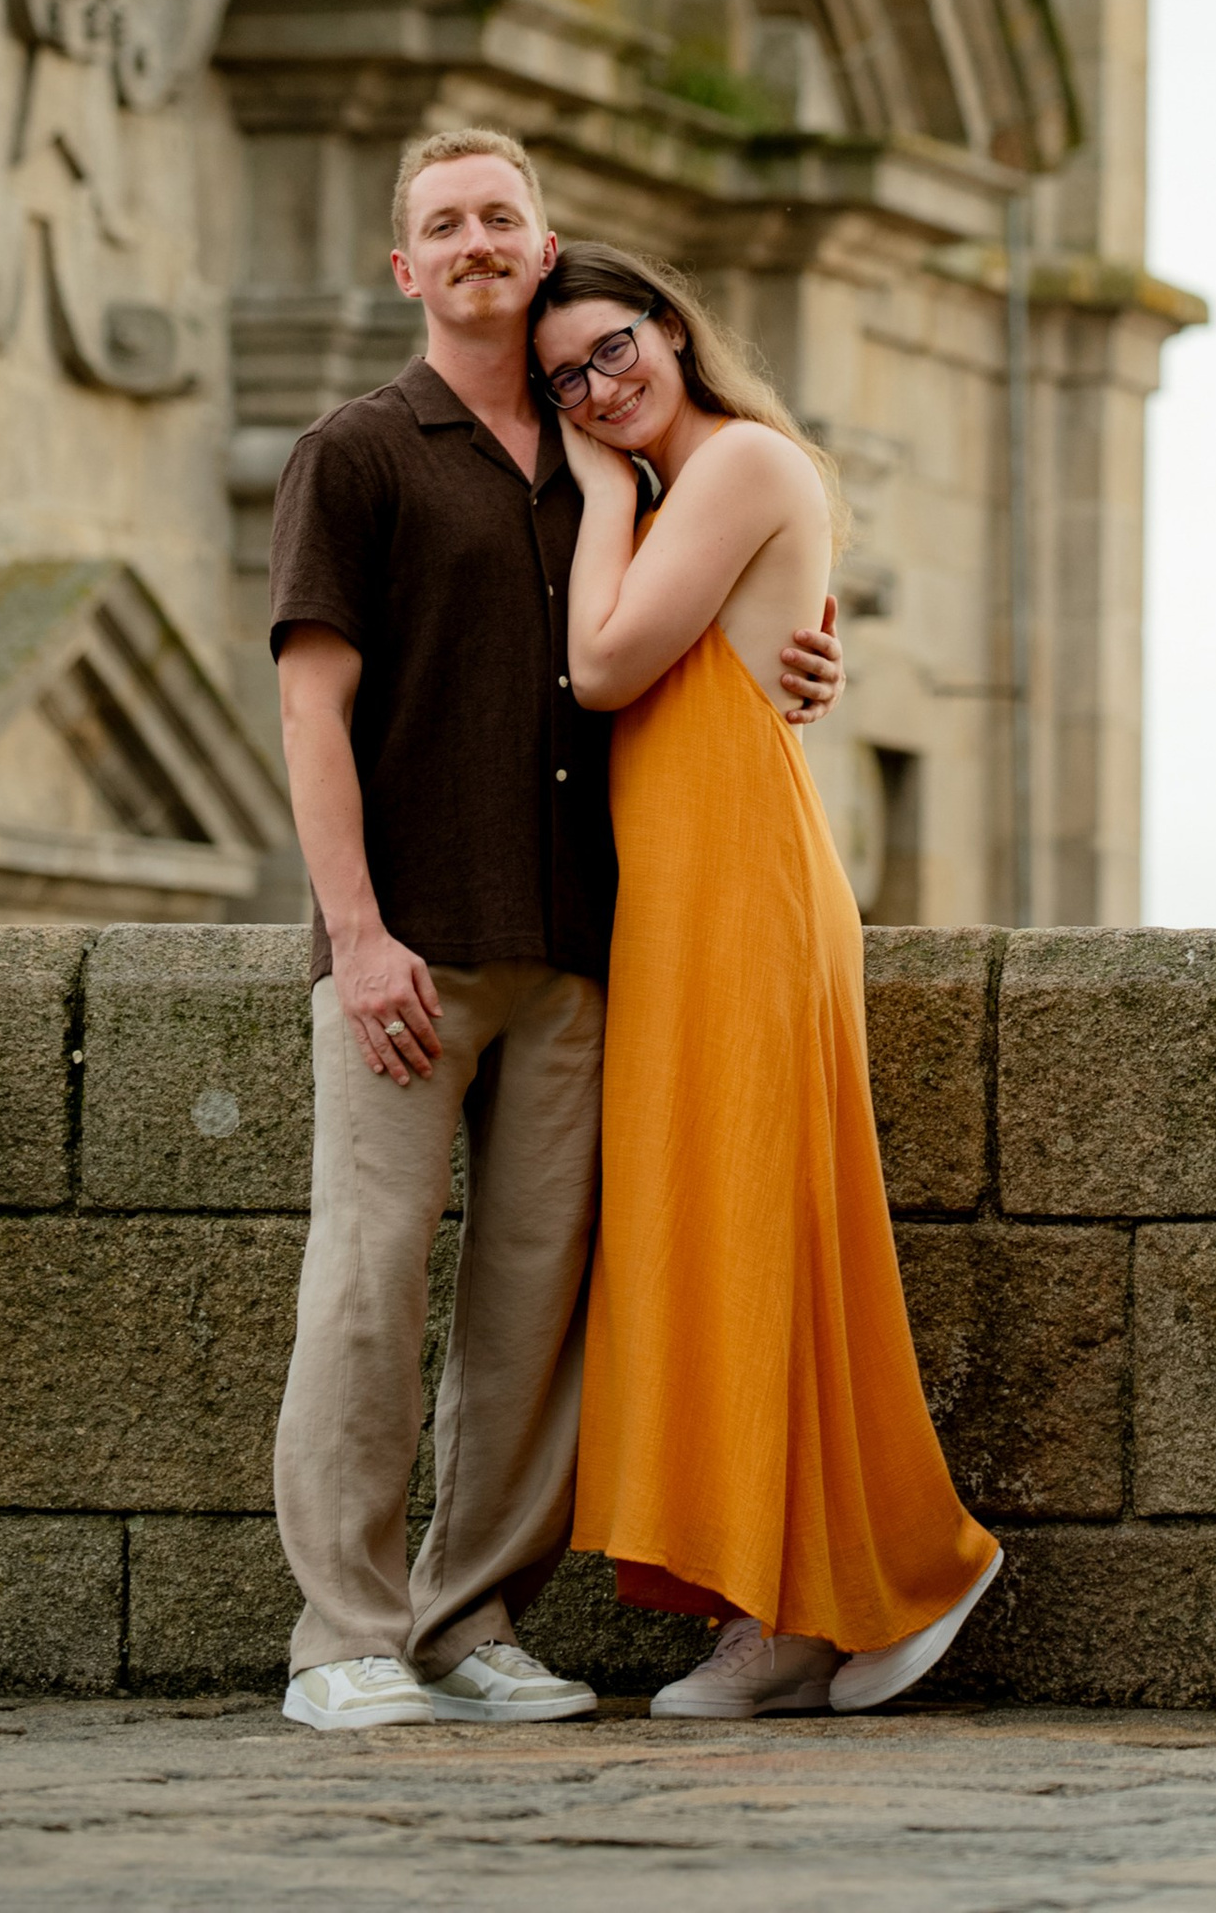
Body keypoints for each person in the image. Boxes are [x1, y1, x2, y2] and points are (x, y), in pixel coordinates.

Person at [267, 130, 846, 1735]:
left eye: (500, 217)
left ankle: (467, 1626)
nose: (476, 242)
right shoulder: (361, 452)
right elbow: (314, 711)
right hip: (416, 949)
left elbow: (734, 619)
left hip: (586, 953)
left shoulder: (628, 466)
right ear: (408, 268)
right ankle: (343, 1639)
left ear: (545, 242)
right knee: (371, 1288)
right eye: (443, 224)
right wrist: (357, 932)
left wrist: (807, 653)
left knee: (531, 1309)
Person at [534, 239, 1002, 1720]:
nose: (599, 389)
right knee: (715, 1232)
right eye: (567, 380)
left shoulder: (729, 465)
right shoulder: (692, 487)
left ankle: (805, 1605)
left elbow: (603, 668)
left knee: (750, 1229)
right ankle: (791, 1591)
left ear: (673, 331)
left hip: (740, 886)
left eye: (615, 350)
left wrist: (601, 493)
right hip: (685, 895)